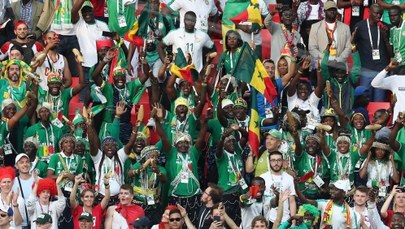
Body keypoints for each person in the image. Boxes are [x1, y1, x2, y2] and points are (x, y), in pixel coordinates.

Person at [353, 4, 390, 102]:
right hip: (366, 70)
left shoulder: (385, 27)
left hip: (381, 71)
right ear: (369, 12)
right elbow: (352, 46)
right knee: (365, 100)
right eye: (376, 13)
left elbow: (391, 50)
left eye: (380, 14)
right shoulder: (360, 26)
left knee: (379, 101)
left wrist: (386, 36)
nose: (378, 16)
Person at [260, 151, 296, 226]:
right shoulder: (263, 177)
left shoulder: (289, 178)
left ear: (282, 161)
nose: (276, 163)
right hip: (268, 219)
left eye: (279, 160)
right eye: (273, 160)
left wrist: (293, 223)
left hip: (285, 220)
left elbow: (292, 201)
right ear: (269, 161)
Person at [13, 153, 36, 229]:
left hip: (36, 222)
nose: (25, 164)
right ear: (16, 166)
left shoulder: (38, 180)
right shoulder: (12, 183)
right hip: (21, 224)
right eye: (21, 162)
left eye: (27, 162)